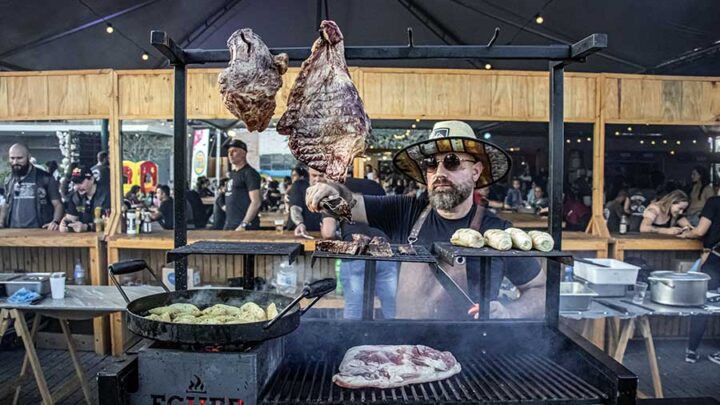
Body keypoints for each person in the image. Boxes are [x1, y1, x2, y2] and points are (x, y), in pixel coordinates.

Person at [307, 120, 545, 320]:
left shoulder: (497, 233)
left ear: (476, 171)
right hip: (407, 357)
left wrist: (511, 311)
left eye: (451, 162)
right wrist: (332, 190)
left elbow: (540, 290)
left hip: (470, 358)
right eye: (431, 164)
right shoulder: (406, 211)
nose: (439, 173)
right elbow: (351, 203)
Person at [315, 167, 397, 320]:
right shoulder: (375, 185)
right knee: (391, 306)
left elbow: (328, 233)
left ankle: (355, 341)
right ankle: (398, 341)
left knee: (354, 308)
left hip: (357, 254)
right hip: (386, 252)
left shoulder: (331, 193)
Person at [679, 195, 720, 365]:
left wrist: (686, 233)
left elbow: (700, 231)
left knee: (702, 303)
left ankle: (692, 350)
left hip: (715, 259)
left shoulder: (714, 202)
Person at [1, 144, 63, 230]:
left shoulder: (45, 178)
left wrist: (55, 221)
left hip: (39, 231)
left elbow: (58, 204)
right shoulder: (9, 179)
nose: (15, 162)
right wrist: (1, 223)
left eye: (19, 158)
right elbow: (6, 204)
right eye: (12, 158)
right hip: (13, 231)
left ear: (29, 157)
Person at [222, 138, 261, 231]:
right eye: (229, 152)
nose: (230, 154)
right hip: (230, 224)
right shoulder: (232, 173)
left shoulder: (250, 173)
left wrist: (244, 224)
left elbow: (256, 202)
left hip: (244, 227)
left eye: (234, 151)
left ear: (244, 153)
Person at [59, 166, 110, 232]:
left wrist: (87, 227)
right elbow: (70, 218)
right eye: (75, 183)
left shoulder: (107, 195)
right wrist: (65, 225)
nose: (76, 187)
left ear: (92, 179)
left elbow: (111, 222)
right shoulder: (75, 197)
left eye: (80, 183)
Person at [287, 165, 323, 237]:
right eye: (314, 175)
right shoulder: (299, 185)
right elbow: (295, 208)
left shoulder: (333, 187)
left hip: (322, 233)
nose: (317, 179)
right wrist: (299, 223)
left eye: (321, 175)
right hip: (301, 232)